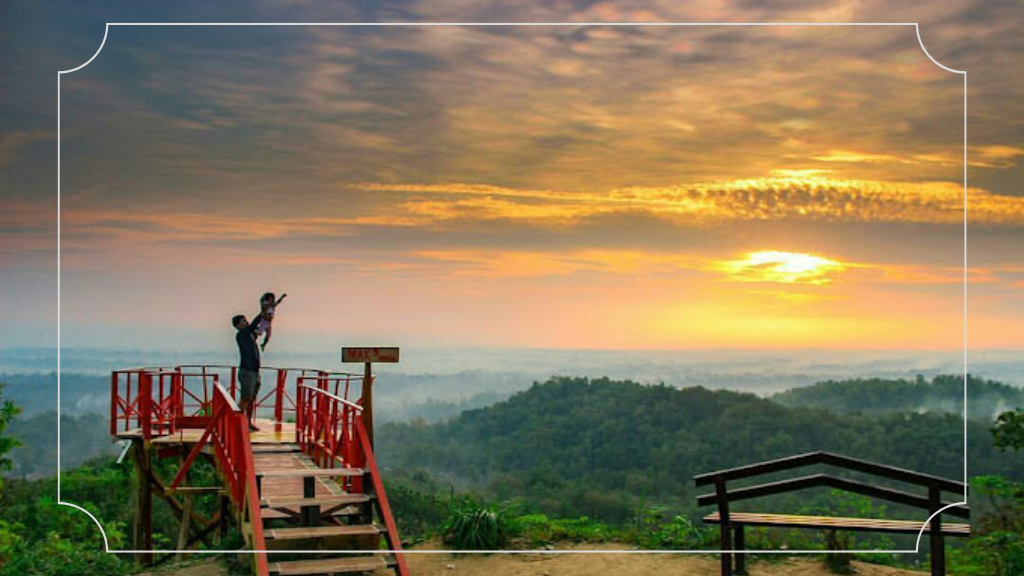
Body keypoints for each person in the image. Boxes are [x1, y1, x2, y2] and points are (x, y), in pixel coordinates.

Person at [232, 313, 263, 432]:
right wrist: (262, 312)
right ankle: (236, 423)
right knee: (245, 398)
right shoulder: (242, 334)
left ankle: (248, 422)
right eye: (243, 321)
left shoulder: (249, 335)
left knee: (251, 399)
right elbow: (254, 324)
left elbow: (258, 329)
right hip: (247, 371)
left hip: (254, 371)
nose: (247, 322)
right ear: (238, 325)